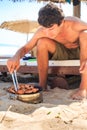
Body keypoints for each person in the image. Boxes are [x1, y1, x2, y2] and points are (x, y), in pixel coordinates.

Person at [7, 3, 87, 100]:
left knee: (85, 35)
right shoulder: (42, 31)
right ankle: (43, 85)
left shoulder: (75, 24)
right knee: (42, 41)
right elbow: (26, 48)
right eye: (45, 29)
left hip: (81, 52)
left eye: (51, 29)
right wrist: (16, 57)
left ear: (61, 22)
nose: (47, 33)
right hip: (61, 53)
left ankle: (83, 89)